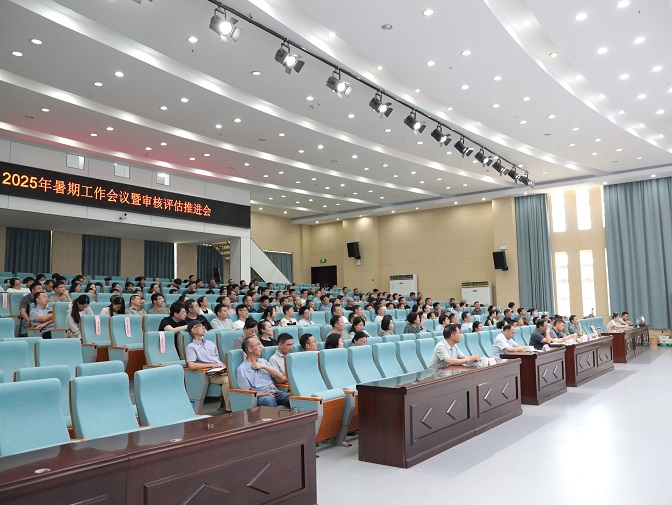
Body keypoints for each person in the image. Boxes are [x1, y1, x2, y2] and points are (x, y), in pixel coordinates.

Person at [185, 319, 231, 412]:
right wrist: (212, 366)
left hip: (220, 370)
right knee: (227, 380)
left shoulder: (210, 343)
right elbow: (191, 365)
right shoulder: (191, 347)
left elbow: (217, 359)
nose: (203, 328)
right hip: (208, 374)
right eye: (200, 326)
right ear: (193, 330)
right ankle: (229, 409)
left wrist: (224, 367)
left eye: (203, 326)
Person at [237, 338, 290, 407]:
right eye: (258, 344)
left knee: (294, 398)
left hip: (275, 392)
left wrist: (264, 366)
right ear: (250, 349)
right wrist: (263, 394)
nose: (261, 347)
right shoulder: (242, 369)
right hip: (261, 396)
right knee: (269, 400)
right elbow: (246, 393)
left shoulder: (263, 361)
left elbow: (280, 376)